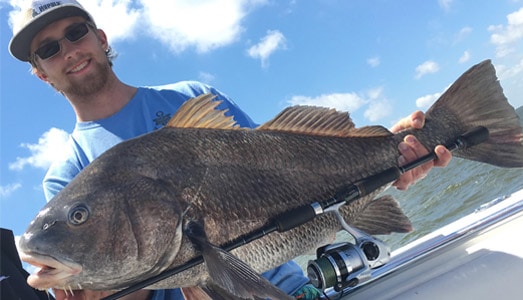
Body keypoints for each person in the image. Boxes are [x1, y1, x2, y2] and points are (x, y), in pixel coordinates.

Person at [7, 1, 451, 299]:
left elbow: (285, 160)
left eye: (76, 32)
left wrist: (385, 154)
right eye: (48, 49)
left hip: (293, 288)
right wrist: (87, 285)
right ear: (41, 73)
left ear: (100, 37)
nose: (68, 50)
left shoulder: (191, 96)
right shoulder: (67, 174)